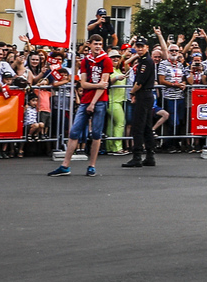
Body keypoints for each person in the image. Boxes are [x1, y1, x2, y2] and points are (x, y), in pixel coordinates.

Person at [49, 37, 110, 177]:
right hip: (85, 100)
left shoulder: (105, 60)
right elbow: (83, 83)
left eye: (100, 44)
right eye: (95, 44)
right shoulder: (85, 61)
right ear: (90, 45)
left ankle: (92, 165)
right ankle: (65, 165)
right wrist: (97, 86)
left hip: (99, 101)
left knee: (96, 134)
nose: (98, 46)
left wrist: (93, 102)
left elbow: (104, 83)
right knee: (74, 132)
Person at [122, 44, 159, 168]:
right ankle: (149, 155)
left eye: (141, 47)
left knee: (138, 126)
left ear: (147, 47)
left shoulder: (146, 62)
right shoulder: (144, 60)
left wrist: (132, 92)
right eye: (137, 47)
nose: (139, 49)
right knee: (147, 126)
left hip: (143, 95)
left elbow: (139, 82)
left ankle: (137, 156)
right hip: (146, 95)